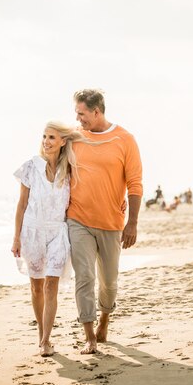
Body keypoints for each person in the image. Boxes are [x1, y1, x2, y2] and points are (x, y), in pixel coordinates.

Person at [11, 121, 103, 357]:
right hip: (32, 232)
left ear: (63, 141)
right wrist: (16, 238)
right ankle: (42, 332)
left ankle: (45, 340)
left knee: (51, 284)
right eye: (44, 136)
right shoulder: (31, 167)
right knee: (36, 286)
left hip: (57, 233)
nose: (46, 141)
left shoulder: (69, 169)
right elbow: (21, 205)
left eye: (52, 137)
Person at [67, 89, 143, 354]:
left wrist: (131, 222)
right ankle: (88, 336)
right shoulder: (74, 137)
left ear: (96, 112)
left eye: (81, 113)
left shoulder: (125, 139)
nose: (78, 118)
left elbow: (135, 184)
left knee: (109, 281)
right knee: (84, 277)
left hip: (111, 222)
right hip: (77, 219)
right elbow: (53, 161)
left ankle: (105, 319)